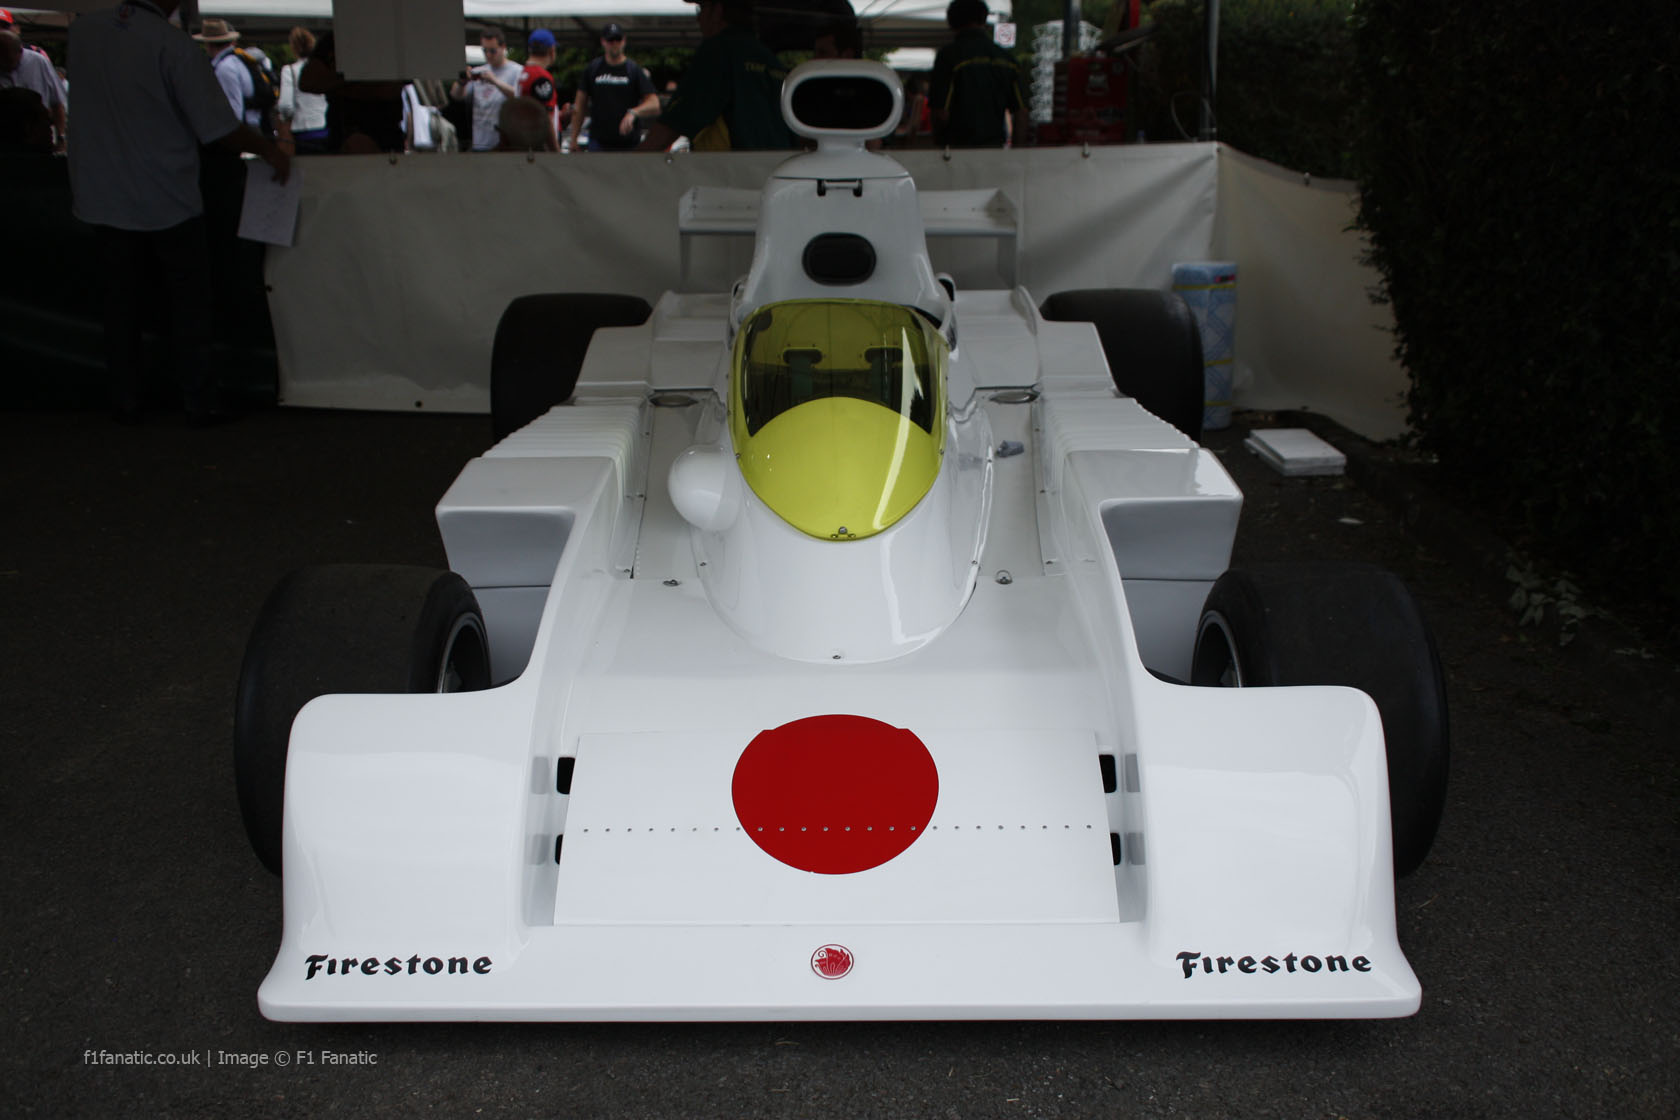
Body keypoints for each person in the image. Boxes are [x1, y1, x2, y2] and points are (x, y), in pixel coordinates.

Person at [66, 0, 289, 424]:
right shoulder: (174, 46)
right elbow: (218, 127)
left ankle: (126, 398)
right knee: (188, 305)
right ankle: (197, 398)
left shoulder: (83, 32)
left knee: (120, 307)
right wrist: (269, 150)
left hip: (101, 191)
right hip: (166, 193)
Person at [638, 0, 790, 152]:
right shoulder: (770, 59)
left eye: (701, 9)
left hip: (732, 163)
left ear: (717, 10)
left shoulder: (719, 50)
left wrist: (635, 159)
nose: (698, 18)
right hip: (778, 161)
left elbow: (678, 118)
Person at [929, 0, 1026, 148]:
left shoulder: (949, 57)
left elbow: (940, 112)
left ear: (951, 21)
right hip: (994, 150)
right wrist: (1018, 152)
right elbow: (1021, 113)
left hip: (956, 151)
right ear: (984, 18)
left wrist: (939, 144)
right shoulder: (1007, 60)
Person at [297, 30, 405, 153]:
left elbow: (390, 89)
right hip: (341, 130)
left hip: (384, 132)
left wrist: (341, 84)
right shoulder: (334, 40)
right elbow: (308, 82)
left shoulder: (388, 39)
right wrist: (354, 80)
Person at [569, 22, 659, 153]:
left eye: (618, 39)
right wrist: (574, 138)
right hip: (599, 142)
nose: (615, 43)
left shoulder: (633, 70)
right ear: (603, 42)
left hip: (629, 142)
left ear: (624, 41)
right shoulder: (593, 69)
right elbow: (579, 105)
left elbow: (654, 104)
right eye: (610, 40)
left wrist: (634, 112)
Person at [195, 18, 276, 137]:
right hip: (254, 126)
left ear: (208, 44)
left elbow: (234, 109)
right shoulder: (238, 60)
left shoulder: (225, 68)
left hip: (244, 130)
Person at [450, 29, 522, 152]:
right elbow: (456, 96)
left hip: (505, 144)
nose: (488, 55)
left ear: (503, 47)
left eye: (492, 51)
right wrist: (461, 83)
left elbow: (521, 97)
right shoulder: (478, 71)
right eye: (485, 51)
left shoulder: (517, 71)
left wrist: (495, 81)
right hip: (480, 143)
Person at [0, 28, 66, 151]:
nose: (3, 64)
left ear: (20, 51)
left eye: (8, 60)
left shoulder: (38, 62)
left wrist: (61, 138)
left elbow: (57, 103)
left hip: (38, 139)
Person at [276, 26, 329, 155]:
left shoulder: (289, 70)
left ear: (293, 48)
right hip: (326, 126)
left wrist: (284, 117)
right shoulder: (325, 68)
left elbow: (286, 105)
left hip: (304, 130)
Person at [518, 28, 561, 148]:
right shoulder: (541, 76)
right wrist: (555, 150)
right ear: (551, 50)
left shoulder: (523, 73)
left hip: (527, 141)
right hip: (541, 146)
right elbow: (546, 118)